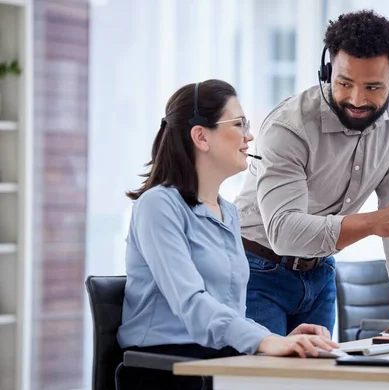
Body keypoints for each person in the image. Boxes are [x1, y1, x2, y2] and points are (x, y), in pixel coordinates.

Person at [234, 10, 389, 338]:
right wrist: (373, 222)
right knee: (265, 379)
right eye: (344, 83)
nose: (357, 99)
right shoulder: (289, 127)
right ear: (328, 70)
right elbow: (284, 231)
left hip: (320, 274)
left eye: (374, 87)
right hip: (257, 270)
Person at [117, 80, 338, 390]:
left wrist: (280, 340)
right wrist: (264, 340)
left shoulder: (228, 213)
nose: (249, 136)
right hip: (166, 368)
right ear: (201, 136)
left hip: (215, 361)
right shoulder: (158, 206)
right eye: (238, 124)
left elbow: (230, 312)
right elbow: (192, 304)